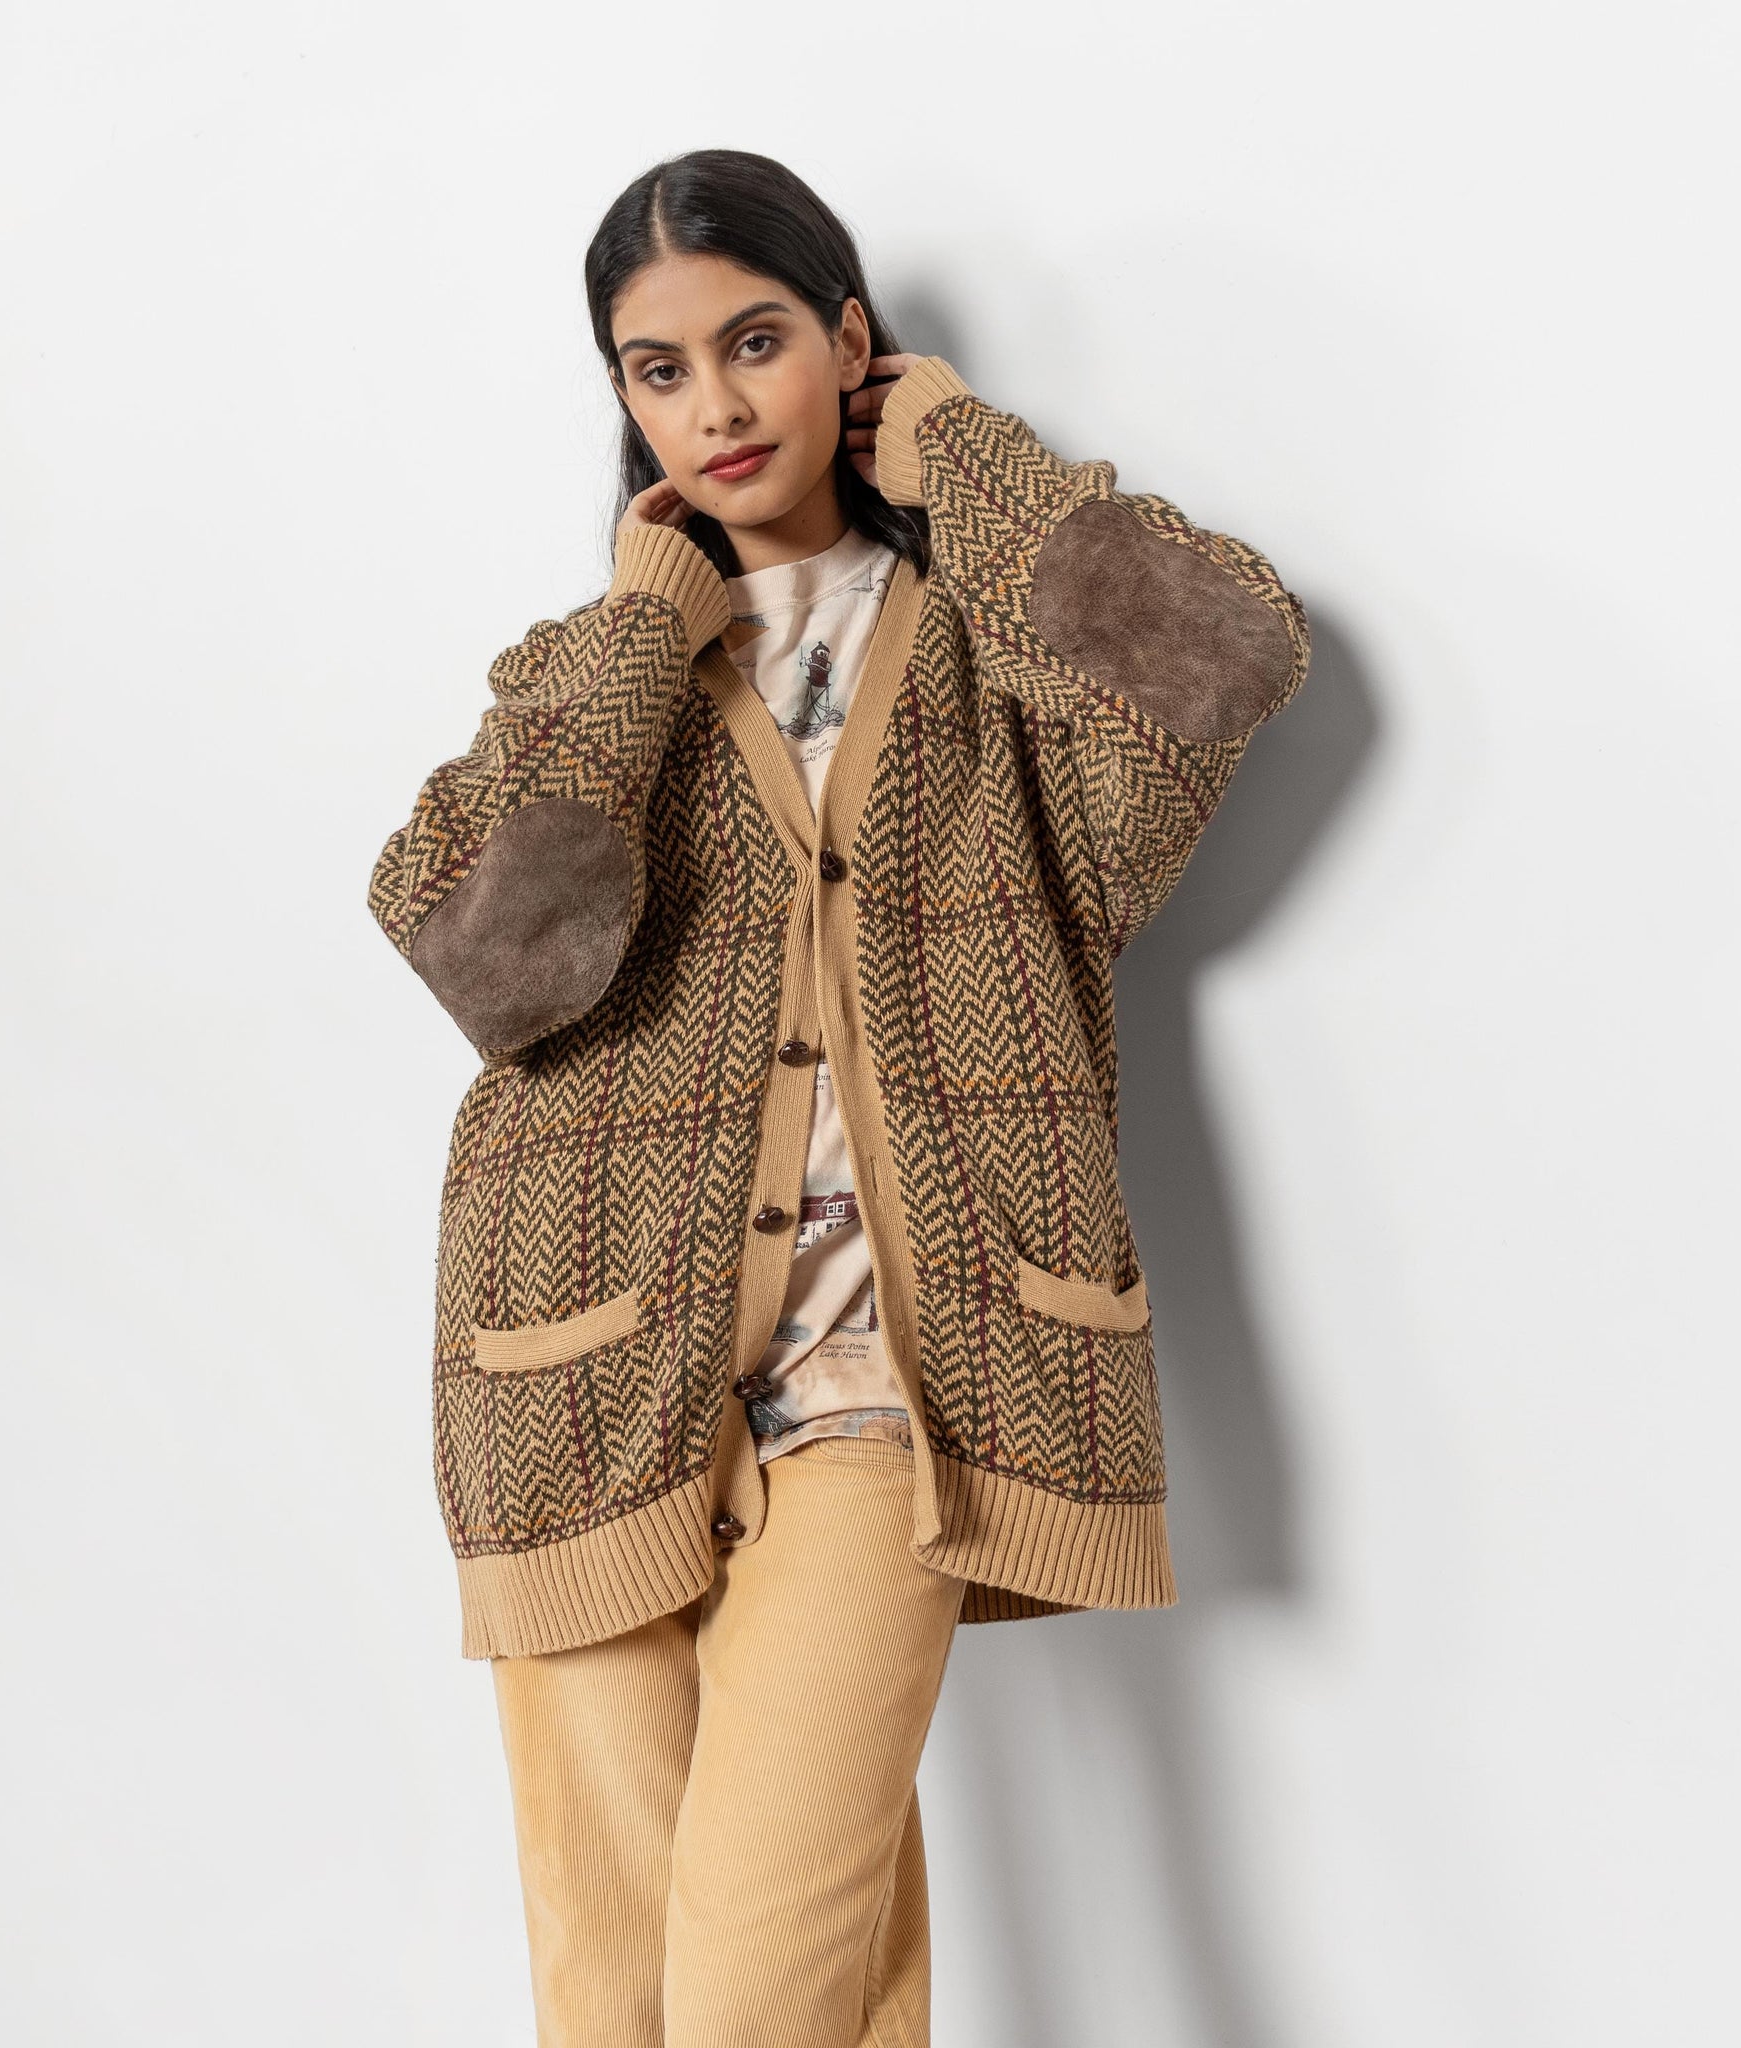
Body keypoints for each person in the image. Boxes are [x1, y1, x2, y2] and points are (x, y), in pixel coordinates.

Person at [365, 146, 1310, 2048]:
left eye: (756, 341)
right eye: (656, 370)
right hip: (579, 1375)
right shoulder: (585, 677)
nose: (711, 407)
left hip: (897, 1387)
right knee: (620, 1985)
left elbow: (1219, 663)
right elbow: (484, 959)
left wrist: (960, 454)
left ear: (847, 341)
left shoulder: (1001, 663)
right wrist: (644, 632)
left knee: (748, 1978)